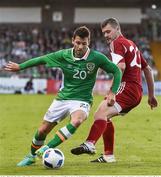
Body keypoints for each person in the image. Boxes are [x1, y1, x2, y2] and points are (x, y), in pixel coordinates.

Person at [4, 26, 122, 166]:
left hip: (82, 100)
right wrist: (20, 67)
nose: (80, 47)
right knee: (42, 130)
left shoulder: (96, 58)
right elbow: (41, 59)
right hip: (62, 98)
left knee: (77, 120)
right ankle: (31, 156)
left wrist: (112, 92)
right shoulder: (63, 55)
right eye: (78, 43)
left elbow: (116, 71)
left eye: (84, 44)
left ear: (88, 42)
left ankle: (48, 148)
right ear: (73, 40)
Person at [71, 18, 158, 163]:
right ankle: (108, 155)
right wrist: (151, 96)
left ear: (117, 29)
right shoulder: (132, 44)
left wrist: (112, 90)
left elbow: (121, 67)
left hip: (127, 88)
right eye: (104, 33)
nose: (106, 35)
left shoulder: (116, 43)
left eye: (108, 31)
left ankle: (90, 144)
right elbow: (147, 69)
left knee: (100, 112)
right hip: (136, 92)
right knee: (106, 117)